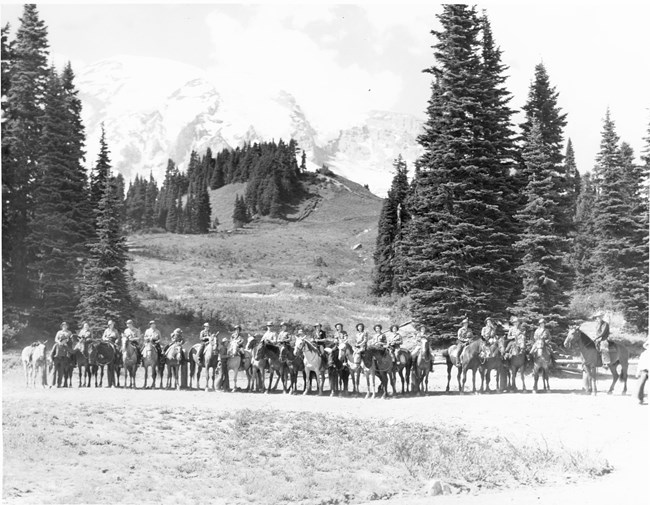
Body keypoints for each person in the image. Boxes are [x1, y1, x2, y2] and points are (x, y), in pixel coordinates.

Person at [636, 339, 649, 405]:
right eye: (648, 345)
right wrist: (638, 372)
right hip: (644, 370)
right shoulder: (644, 354)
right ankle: (640, 399)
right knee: (641, 384)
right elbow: (640, 363)